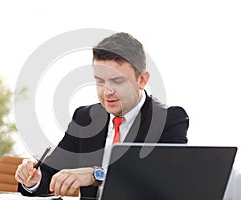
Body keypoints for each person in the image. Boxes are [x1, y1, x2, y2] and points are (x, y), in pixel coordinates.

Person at [15, 32, 189, 198]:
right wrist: (34, 180)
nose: (107, 92)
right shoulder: (85, 118)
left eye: (118, 81)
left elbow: (164, 182)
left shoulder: (169, 119)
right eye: (100, 81)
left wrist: (96, 175)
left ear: (142, 80)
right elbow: (50, 172)